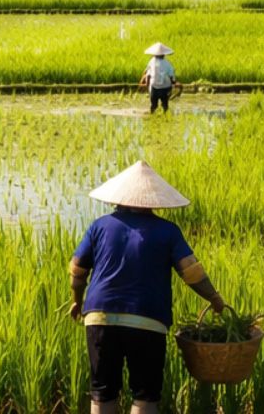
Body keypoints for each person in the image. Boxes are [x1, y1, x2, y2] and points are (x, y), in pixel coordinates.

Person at [68, 161, 229, 414]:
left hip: (99, 317)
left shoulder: (99, 226)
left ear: (117, 199)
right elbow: (192, 272)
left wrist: (77, 300)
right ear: (152, 201)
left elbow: (77, 271)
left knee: (102, 392)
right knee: (145, 394)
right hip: (147, 320)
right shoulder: (168, 231)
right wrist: (215, 299)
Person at [138, 43, 177, 114]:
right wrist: (174, 83)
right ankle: (165, 116)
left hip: (154, 87)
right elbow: (171, 76)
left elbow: (148, 75)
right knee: (165, 105)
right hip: (165, 88)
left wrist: (147, 84)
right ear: (164, 55)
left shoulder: (152, 62)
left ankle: (152, 115)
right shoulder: (168, 64)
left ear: (154, 54)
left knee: (154, 105)